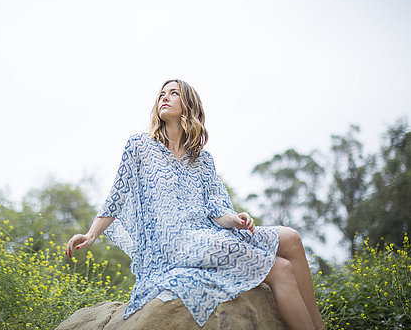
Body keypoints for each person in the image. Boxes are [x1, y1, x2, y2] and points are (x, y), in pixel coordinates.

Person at [66, 79, 325, 329]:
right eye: (161, 94)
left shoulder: (202, 160)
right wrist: (91, 235)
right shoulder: (140, 146)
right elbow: (116, 196)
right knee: (280, 269)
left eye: (173, 93)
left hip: (206, 235)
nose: (164, 97)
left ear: (188, 104)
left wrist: (235, 219)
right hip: (175, 245)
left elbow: (217, 210)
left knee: (291, 237)